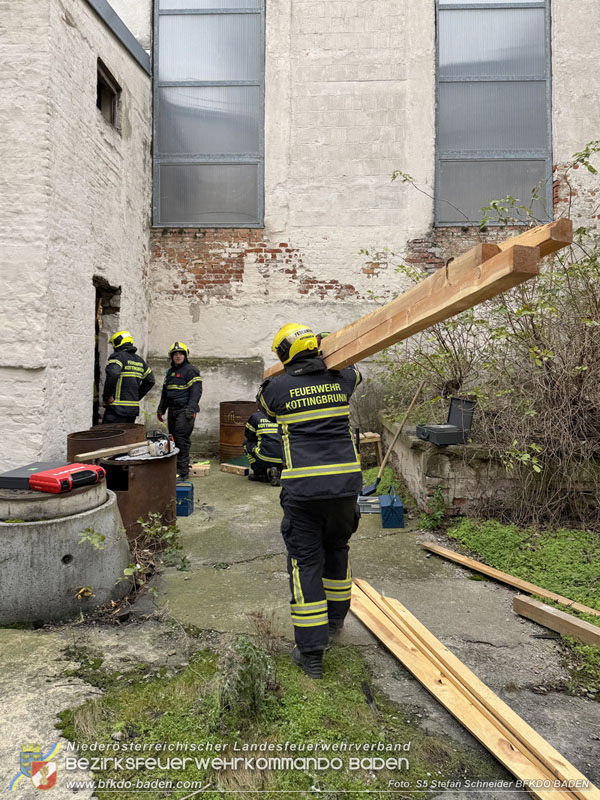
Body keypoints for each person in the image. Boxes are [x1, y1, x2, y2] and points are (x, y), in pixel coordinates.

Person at [257, 323, 362, 679]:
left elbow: (266, 411)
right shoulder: (342, 379)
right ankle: (335, 621)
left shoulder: (275, 388)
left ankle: (312, 653)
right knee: (338, 550)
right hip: (346, 489)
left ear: (284, 354)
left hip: (304, 493)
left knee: (306, 565)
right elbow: (355, 373)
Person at [157, 341, 202, 481]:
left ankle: (182, 472)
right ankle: (176, 468)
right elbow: (165, 392)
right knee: (173, 439)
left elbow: (196, 392)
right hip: (172, 410)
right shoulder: (170, 373)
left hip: (185, 410)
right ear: (171, 356)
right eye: (175, 354)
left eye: (181, 353)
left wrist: (191, 409)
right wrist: (161, 409)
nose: (178, 356)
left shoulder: (191, 370)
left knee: (181, 439)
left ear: (185, 355)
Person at [102, 330, 155, 424]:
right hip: (132, 410)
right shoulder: (140, 361)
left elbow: (113, 374)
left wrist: (107, 396)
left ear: (118, 343)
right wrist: (136, 396)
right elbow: (150, 380)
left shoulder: (117, 357)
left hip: (116, 409)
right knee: (126, 437)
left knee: (108, 437)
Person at [243, 407, 283, 486]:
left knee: (246, 444)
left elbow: (249, 435)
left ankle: (260, 474)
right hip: (284, 458)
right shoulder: (283, 415)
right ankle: (278, 472)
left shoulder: (256, 416)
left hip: (264, 457)